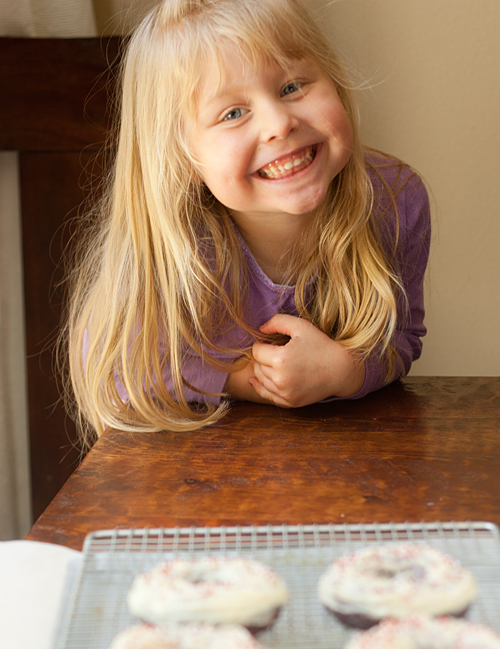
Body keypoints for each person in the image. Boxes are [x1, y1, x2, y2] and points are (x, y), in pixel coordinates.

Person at [66, 0, 430, 446]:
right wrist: (245, 381)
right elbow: (116, 374)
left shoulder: (394, 202)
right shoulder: (177, 245)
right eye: (233, 113)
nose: (279, 123)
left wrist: (345, 370)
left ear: (334, 80)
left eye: (293, 86)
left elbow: (403, 338)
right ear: (181, 158)